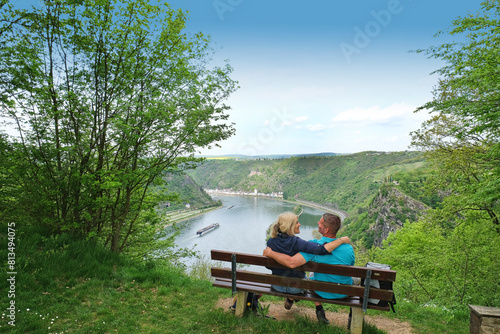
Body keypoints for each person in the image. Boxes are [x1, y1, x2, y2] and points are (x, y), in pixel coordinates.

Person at [263, 212, 355, 325]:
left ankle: (318, 309)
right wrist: (341, 240)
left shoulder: (312, 244)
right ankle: (352, 317)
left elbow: (291, 262)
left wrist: (271, 253)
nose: (317, 222)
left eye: (320, 222)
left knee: (312, 277)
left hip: (320, 291)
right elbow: (349, 265)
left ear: (326, 230)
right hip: (343, 292)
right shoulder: (348, 248)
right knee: (355, 280)